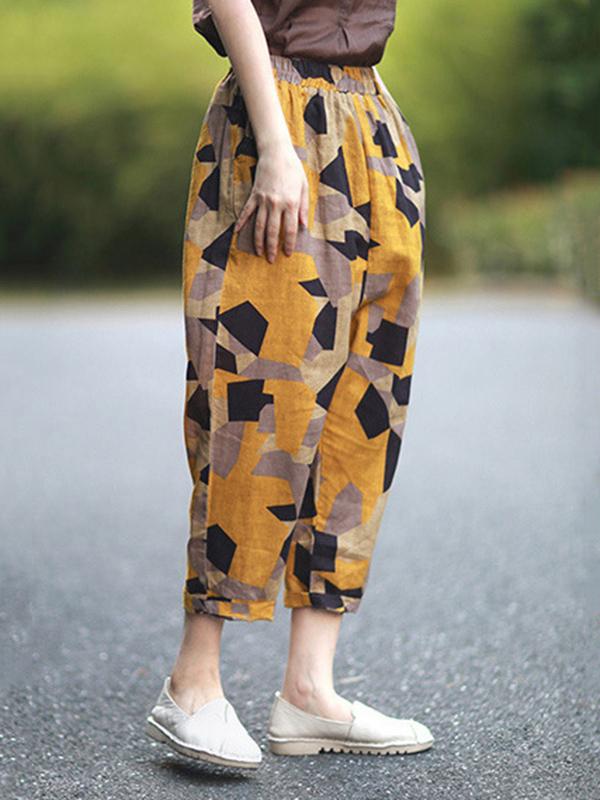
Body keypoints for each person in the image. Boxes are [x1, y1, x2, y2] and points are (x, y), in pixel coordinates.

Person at [144, 0, 431, 769]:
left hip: (372, 116)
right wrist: (274, 142)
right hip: (280, 115)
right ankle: (193, 682)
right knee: (261, 399)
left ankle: (309, 690)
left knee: (363, 404)